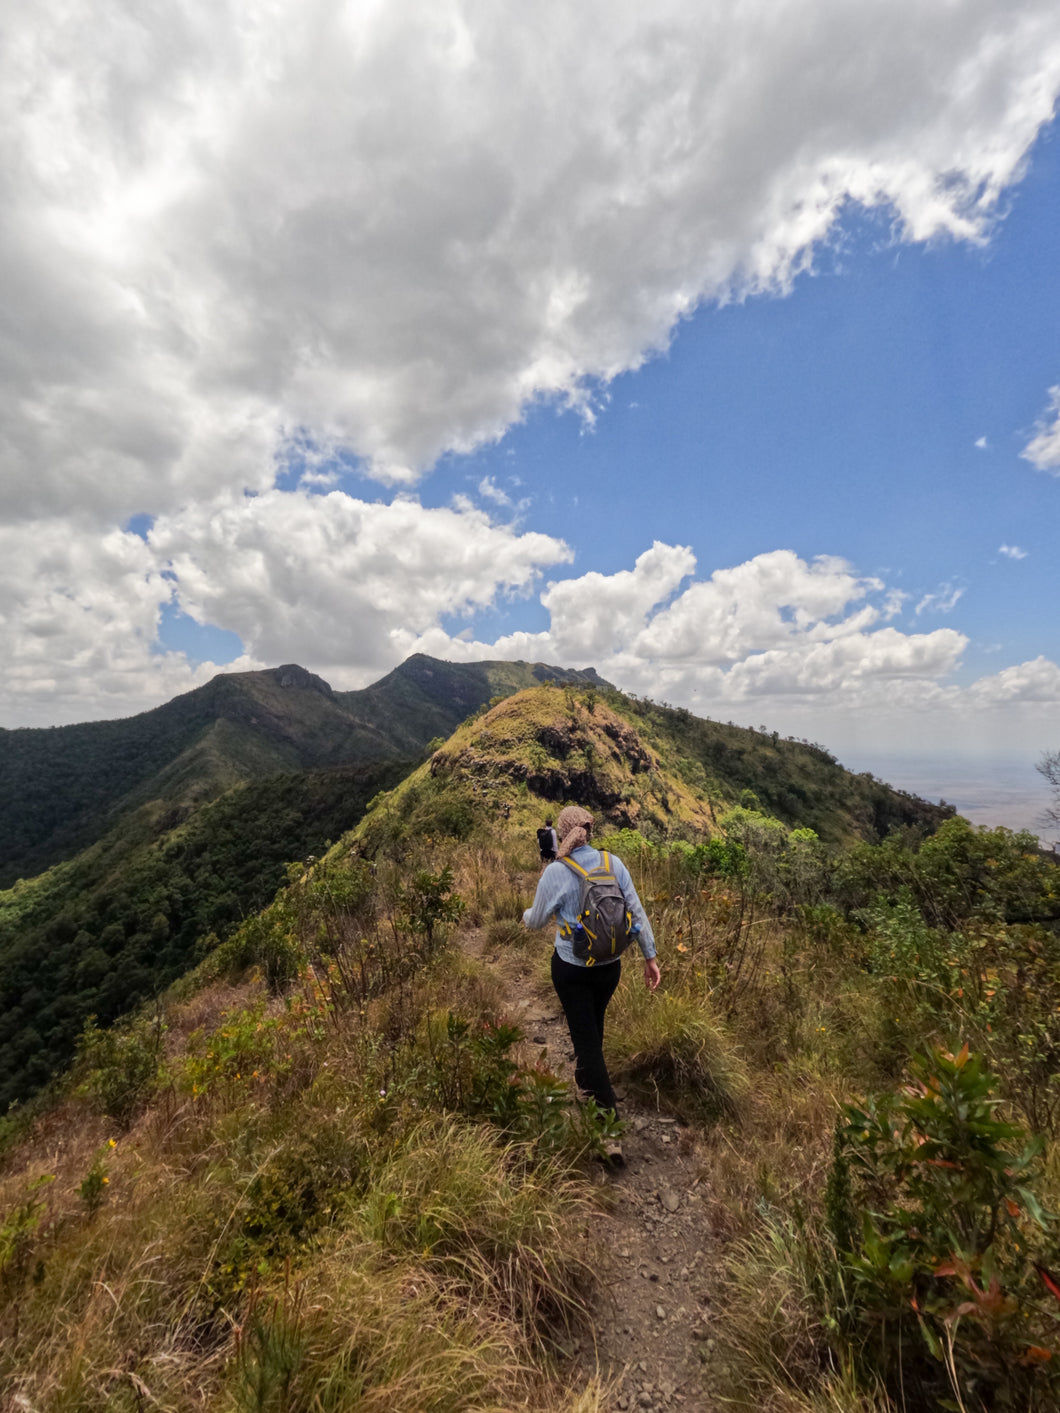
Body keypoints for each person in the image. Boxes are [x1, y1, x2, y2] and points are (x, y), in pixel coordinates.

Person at [523, 805, 660, 1163]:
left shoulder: (555, 871)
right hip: (610, 966)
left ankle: (609, 1128)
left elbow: (535, 922)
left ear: (563, 833)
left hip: (571, 967)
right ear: (589, 829)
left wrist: (525, 913)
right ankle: (586, 1083)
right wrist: (650, 957)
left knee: (586, 1040)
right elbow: (637, 911)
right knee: (592, 1028)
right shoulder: (613, 863)